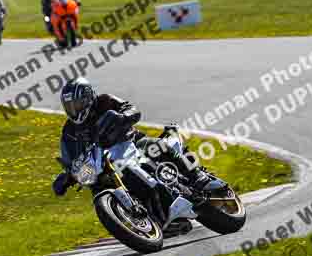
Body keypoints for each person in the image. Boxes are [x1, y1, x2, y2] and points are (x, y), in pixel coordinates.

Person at [51, 78, 218, 197]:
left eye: (77, 104)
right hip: (105, 163)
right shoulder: (69, 130)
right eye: (70, 107)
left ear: (88, 97)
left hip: (131, 142)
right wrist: (67, 176)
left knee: (160, 146)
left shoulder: (104, 101)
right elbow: (71, 157)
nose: (74, 110)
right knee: (98, 185)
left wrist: (122, 117)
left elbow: (132, 109)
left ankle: (196, 176)